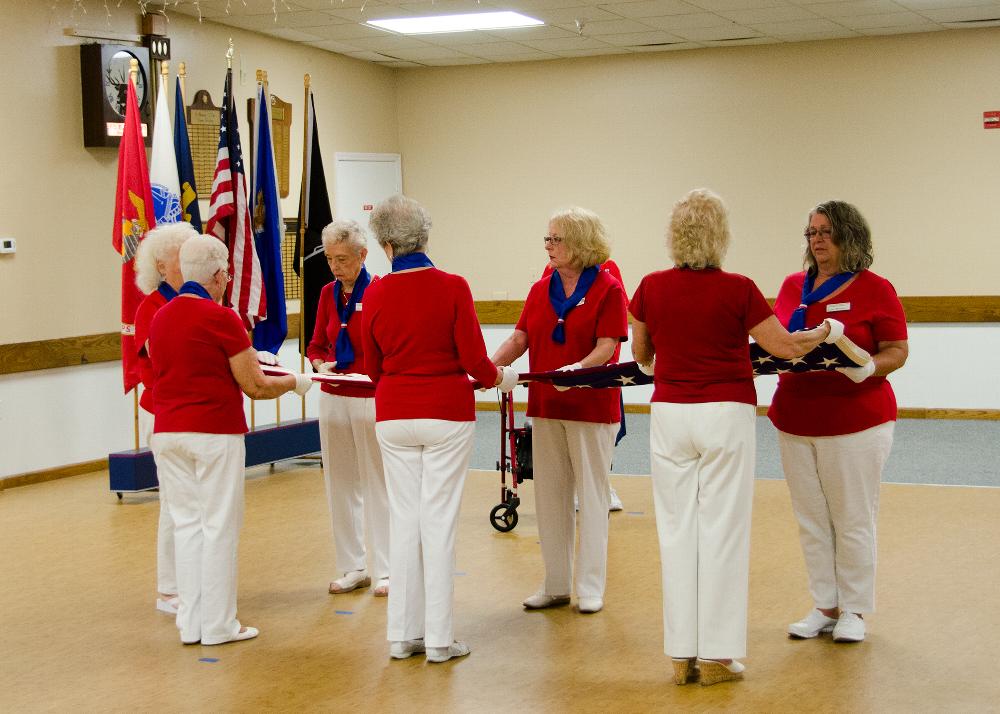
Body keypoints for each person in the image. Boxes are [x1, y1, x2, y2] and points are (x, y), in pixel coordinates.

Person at [629, 189, 838, 686]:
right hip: (725, 413)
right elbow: (785, 347)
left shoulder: (650, 287)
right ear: (720, 236)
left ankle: (682, 656)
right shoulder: (739, 288)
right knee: (722, 531)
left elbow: (642, 354)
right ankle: (719, 655)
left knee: (677, 532)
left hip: (671, 416)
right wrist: (823, 333)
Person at [362, 195, 517, 664]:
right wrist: (502, 377)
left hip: (393, 413)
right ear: (424, 238)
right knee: (439, 521)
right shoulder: (452, 286)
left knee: (404, 521)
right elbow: (475, 360)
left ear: (387, 244)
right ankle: (438, 639)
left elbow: (373, 368)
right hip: (446, 413)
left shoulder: (375, 293)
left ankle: (402, 636)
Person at [149, 235, 313, 646]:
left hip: (168, 433)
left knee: (186, 526)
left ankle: (191, 623)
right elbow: (255, 386)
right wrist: (295, 382)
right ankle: (219, 624)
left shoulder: (161, 317)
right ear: (220, 275)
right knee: (219, 526)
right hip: (213, 431)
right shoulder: (223, 319)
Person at [769, 200, 908, 644]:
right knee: (811, 517)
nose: (817, 239)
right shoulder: (793, 285)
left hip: (856, 422)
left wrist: (868, 367)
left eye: (826, 231)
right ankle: (824, 605)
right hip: (795, 418)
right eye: (811, 232)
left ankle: (855, 610)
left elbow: (897, 350)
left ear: (850, 236)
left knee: (851, 518)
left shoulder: (876, 288)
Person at [492, 206, 628, 616]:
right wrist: (490, 368)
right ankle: (554, 583)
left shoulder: (608, 288)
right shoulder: (540, 289)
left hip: (591, 404)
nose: (549, 246)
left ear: (582, 243)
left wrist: (577, 369)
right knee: (551, 497)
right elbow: (520, 337)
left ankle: (589, 586)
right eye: (547, 239)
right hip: (547, 404)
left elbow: (608, 345)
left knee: (592, 495)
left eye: (557, 239)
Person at [307, 219, 389, 597]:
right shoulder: (327, 293)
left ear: (362, 255)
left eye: (342, 259)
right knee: (340, 482)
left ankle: (386, 568)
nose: (336, 267)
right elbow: (318, 342)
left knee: (377, 483)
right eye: (330, 259)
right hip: (333, 393)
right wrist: (319, 362)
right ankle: (352, 566)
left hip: (369, 396)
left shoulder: (380, 291)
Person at [133, 221, 198, 616]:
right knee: (175, 505)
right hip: (164, 414)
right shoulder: (151, 308)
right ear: (161, 264)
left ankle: (193, 580)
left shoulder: (197, 300)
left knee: (196, 505)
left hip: (194, 415)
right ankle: (169, 588)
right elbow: (158, 367)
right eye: (182, 257)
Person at [542, 260, 626, 512]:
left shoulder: (609, 269)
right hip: (563, 363)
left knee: (605, 434)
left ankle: (602, 483)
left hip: (602, 370)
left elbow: (619, 312)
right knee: (567, 435)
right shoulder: (552, 272)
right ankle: (575, 487)